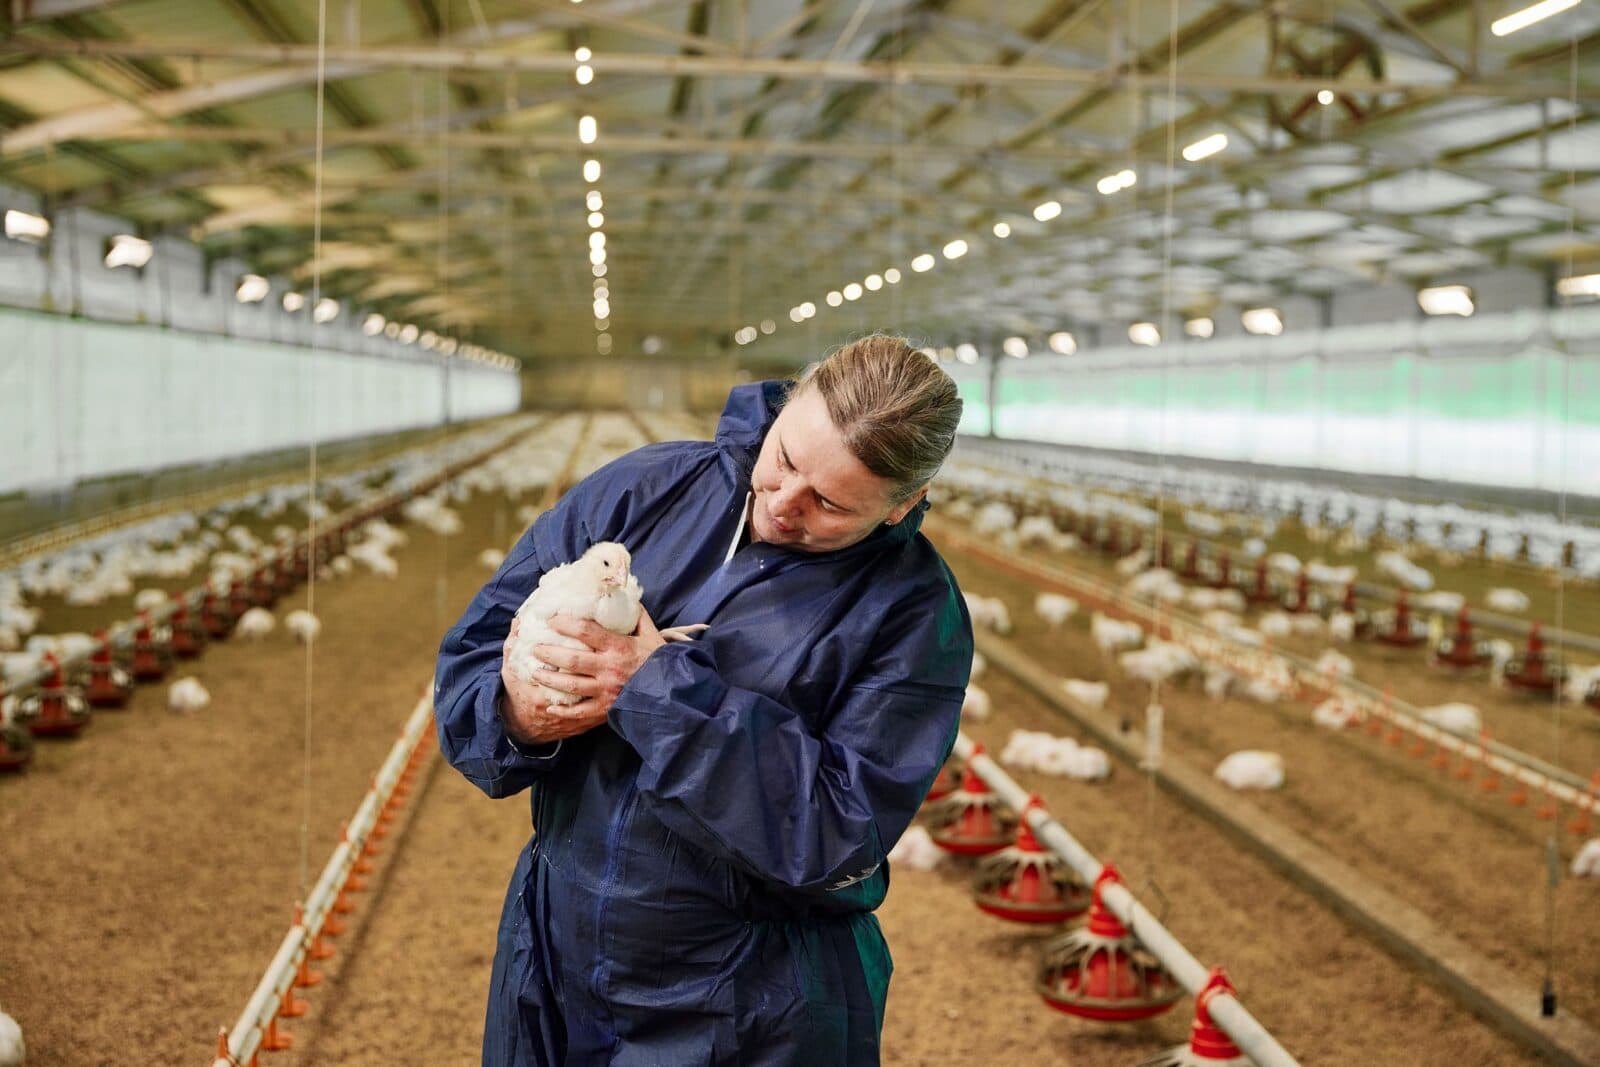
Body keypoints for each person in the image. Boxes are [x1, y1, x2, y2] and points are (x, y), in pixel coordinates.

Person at [434, 334, 974, 1066]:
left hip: (749, 1005)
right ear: (783, 409)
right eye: (783, 459)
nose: (783, 505)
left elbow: (837, 835)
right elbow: (473, 656)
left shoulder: (910, 613)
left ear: (901, 504)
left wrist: (655, 688)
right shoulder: (641, 492)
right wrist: (518, 715)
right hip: (557, 958)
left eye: (828, 502)